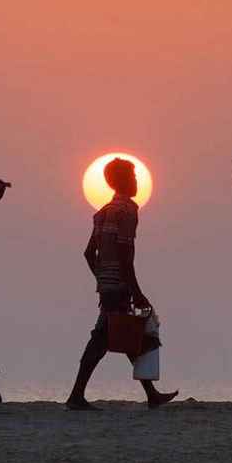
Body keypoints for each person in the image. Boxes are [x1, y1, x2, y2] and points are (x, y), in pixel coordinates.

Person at [66, 157, 177, 410]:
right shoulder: (127, 211)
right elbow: (126, 257)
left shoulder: (103, 212)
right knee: (107, 338)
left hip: (108, 285)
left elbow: (88, 253)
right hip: (118, 286)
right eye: (133, 177)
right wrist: (136, 292)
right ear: (122, 180)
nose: (136, 181)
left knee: (122, 335)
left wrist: (103, 279)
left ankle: (151, 394)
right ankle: (76, 396)